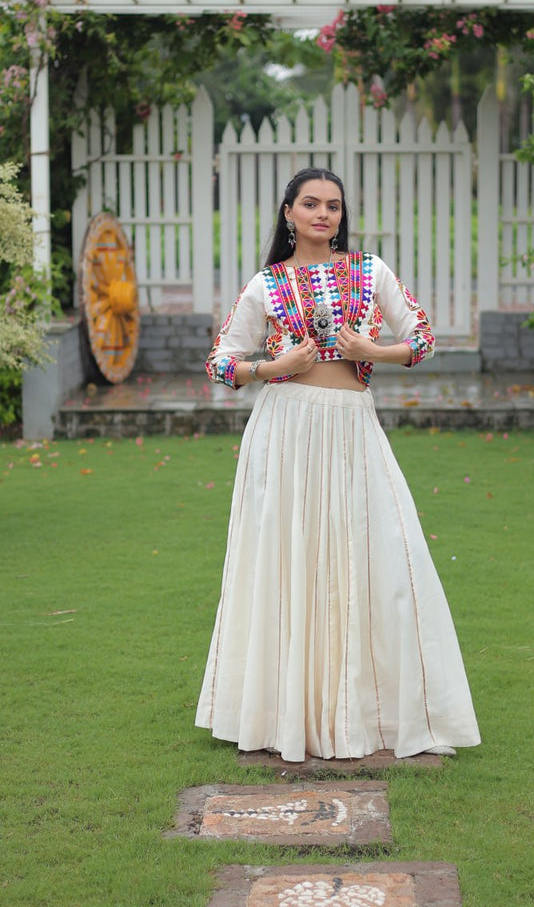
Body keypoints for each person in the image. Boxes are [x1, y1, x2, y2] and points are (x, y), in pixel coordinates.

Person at [195, 166, 480, 762]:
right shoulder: (266, 286)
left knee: (377, 560)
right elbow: (221, 362)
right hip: (285, 428)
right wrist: (273, 368)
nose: (324, 214)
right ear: (289, 213)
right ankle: (284, 717)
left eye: (334, 206)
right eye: (311, 204)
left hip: (352, 427)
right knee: (288, 562)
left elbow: (423, 338)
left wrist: (372, 351)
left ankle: (364, 712)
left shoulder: (368, 272)